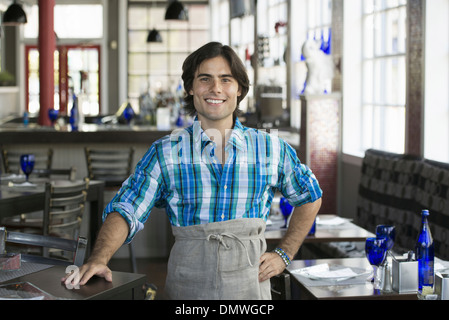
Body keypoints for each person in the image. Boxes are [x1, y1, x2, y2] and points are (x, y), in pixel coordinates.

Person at [62, 42, 322, 299]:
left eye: (226, 79)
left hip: (250, 289)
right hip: (187, 289)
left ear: (240, 89)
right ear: (190, 87)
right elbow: (126, 208)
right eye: (205, 79)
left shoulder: (270, 148)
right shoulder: (166, 152)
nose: (215, 88)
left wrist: (284, 254)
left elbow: (310, 195)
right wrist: (99, 258)